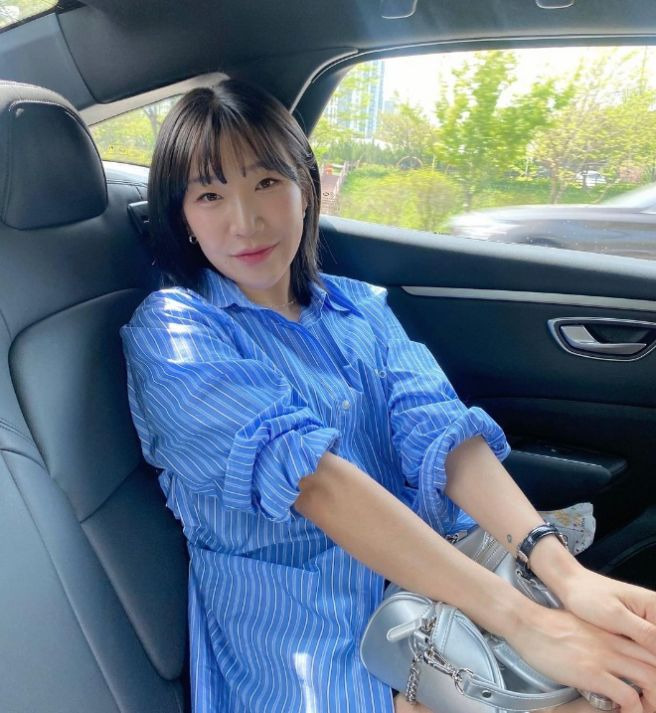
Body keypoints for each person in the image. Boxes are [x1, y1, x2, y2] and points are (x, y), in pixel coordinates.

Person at [120, 79, 656, 713]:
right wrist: (529, 624)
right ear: (182, 216)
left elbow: (443, 434)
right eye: (210, 195)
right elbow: (317, 484)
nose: (246, 220)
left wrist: (565, 575)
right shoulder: (176, 332)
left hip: (439, 590)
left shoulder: (358, 307)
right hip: (313, 637)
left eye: (266, 182)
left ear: (305, 187)